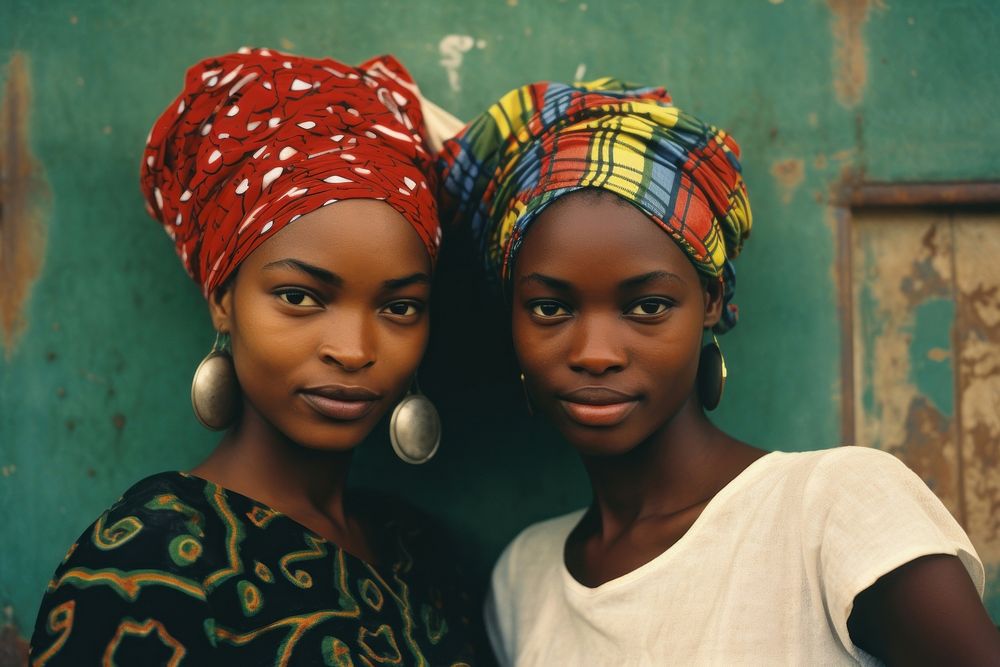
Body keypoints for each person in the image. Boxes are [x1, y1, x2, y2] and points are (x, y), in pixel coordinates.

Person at [438, 79, 1000, 665]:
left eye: (647, 306)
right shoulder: (524, 580)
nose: (595, 352)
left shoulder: (834, 513)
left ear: (710, 301)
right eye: (550, 308)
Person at [30, 48, 477, 666]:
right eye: (299, 297)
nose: (353, 350)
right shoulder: (146, 562)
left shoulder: (421, 554)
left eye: (399, 308)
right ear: (222, 299)